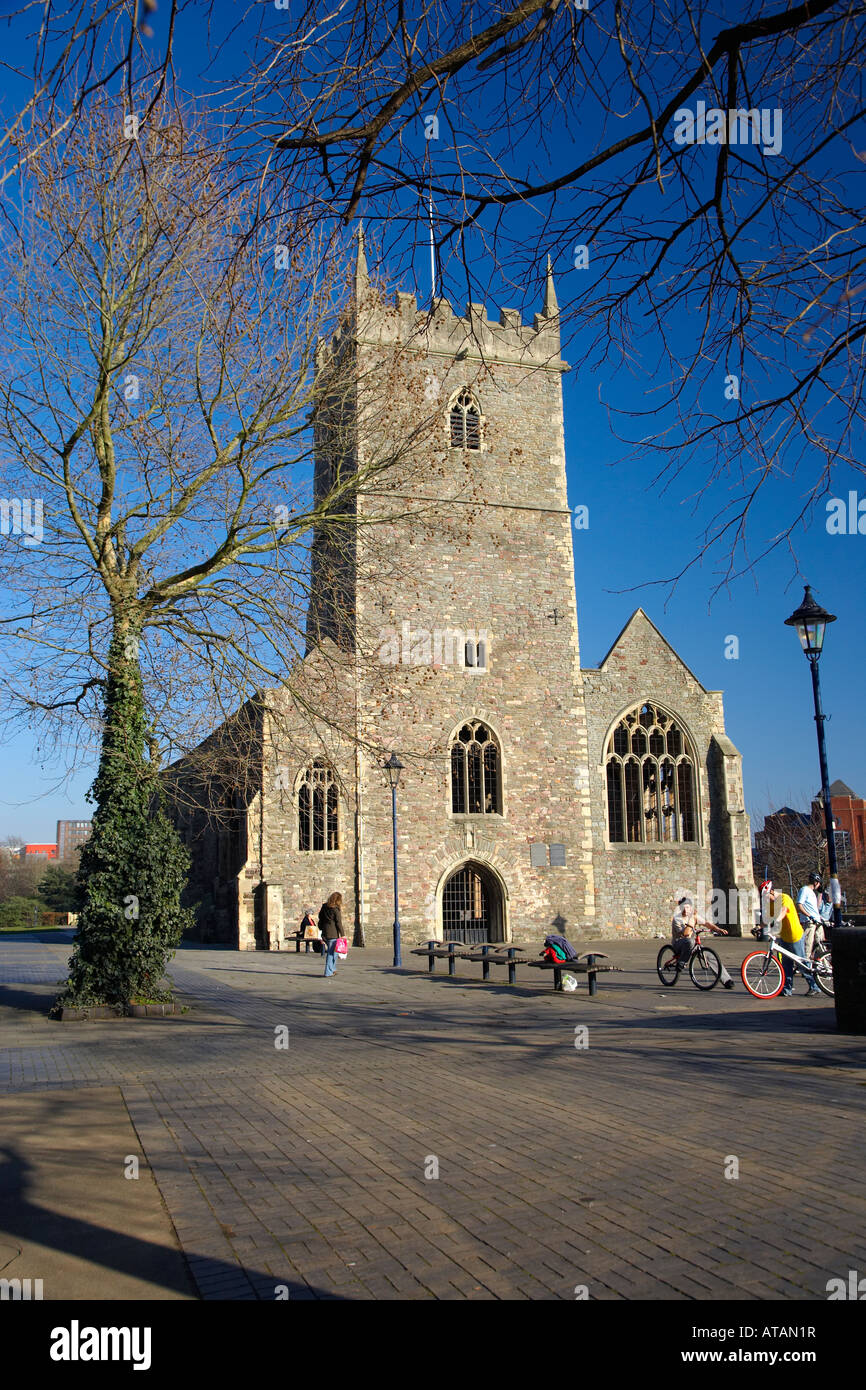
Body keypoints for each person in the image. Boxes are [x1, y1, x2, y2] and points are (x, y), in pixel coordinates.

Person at [762, 880, 820, 997]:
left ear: (771, 892)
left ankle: (814, 986)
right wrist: (758, 927)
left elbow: (783, 911)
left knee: (801, 964)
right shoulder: (771, 904)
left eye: (766, 896)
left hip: (795, 936)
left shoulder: (785, 898)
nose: (765, 899)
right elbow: (767, 919)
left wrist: (776, 921)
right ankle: (787, 989)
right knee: (786, 965)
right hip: (784, 937)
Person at [671, 895, 735, 987]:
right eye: (683, 907)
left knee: (710, 956)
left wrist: (717, 929)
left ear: (691, 907)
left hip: (692, 943)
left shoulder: (694, 916)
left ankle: (727, 980)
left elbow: (706, 923)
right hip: (679, 943)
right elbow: (686, 934)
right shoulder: (677, 919)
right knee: (689, 941)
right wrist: (691, 920)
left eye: (687, 907)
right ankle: (682, 962)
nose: (685, 910)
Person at [796, 873, 825, 958]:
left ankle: (823, 962)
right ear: (816, 882)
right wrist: (809, 916)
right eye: (819, 883)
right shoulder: (804, 890)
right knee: (807, 946)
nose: (819, 885)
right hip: (809, 922)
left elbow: (815, 908)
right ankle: (805, 964)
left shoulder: (812, 893)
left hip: (817, 921)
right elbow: (799, 905)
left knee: (820, 945)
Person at [318, 892, 344, 977]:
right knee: (331, 953)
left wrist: (321, 927)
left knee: (334, 952)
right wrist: (342, 934)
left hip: (325, 932)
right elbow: (338, 922)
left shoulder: (324, 907)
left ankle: (332, 969)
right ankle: (328, 972)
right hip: (333, 934)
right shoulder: (336, 909)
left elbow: (320, 918)